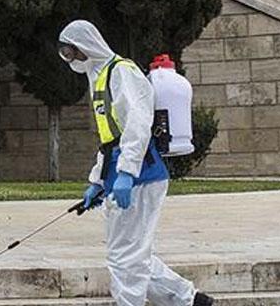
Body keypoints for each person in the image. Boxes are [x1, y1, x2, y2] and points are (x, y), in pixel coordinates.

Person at [58, 20, 213, 306]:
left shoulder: (121, 72)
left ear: (85, 46)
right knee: (134, 253)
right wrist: (98, 181)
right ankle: (189, 300)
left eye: (71, 51)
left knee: (124, 257)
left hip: (140, 175)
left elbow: (138, 125)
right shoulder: (99, 75)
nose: (69, 58)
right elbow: (110, 139)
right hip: (121, 172)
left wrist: (127, 173)